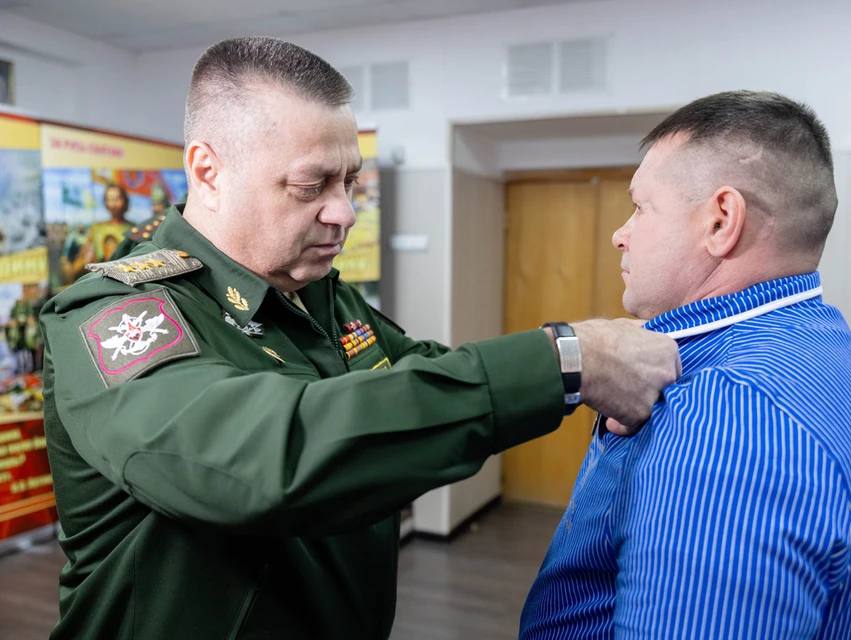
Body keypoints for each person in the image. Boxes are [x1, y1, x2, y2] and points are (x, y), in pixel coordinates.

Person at [39, 37, 680, 640]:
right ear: (208, 172)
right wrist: (562, 362)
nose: (344, 211)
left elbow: (421, 380)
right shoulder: (119, 314)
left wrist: (575, 371)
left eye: (350, 183)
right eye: (310, 186)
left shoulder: (319, 295)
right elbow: (262, 458)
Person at [519, 91, 851, 638]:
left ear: (722, 221)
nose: (620, 235)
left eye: (641, 207)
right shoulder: (817, 337)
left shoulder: (730, 419)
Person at [61, 183, 133, 284]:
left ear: (125, 200)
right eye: (110, 199)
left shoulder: (133, 229)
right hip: (101, 280)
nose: (114, 203)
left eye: (117, 198)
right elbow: (82, 261)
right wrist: (87, 260)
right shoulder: (97, 229)